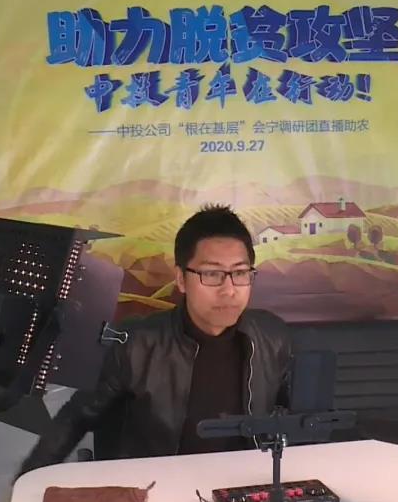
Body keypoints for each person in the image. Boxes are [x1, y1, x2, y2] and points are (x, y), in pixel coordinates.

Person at [16, 203, 293, 474]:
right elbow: (75, 417)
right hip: (156, 488)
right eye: (212, 274)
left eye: (240, 273)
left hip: (242, 485)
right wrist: (25, 484)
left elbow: (295, 417)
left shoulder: (271, 337)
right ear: (181, 279)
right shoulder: (136, 344)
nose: (229, 290)